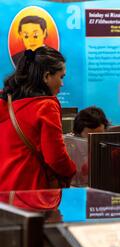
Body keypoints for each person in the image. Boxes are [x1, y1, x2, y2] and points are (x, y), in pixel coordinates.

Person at [0, 47, 76, 191]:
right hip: (31, 192)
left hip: (4, 191)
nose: (62, 83)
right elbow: (56, 158)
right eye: (61, 77)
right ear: (46, 76)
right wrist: (72, 171)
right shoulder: (46, 107)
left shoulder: (5, 102)